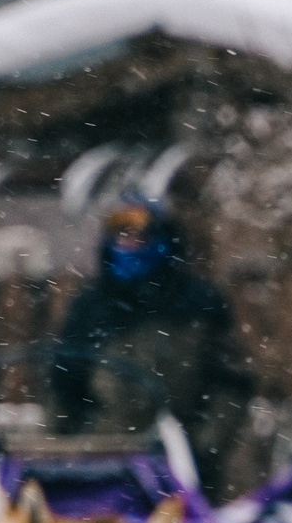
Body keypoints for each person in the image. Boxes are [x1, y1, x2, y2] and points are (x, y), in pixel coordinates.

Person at [48, 198, 254, 493]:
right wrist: (61, 455)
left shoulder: (200, 303)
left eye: (141, 235)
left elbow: (231, 386)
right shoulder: (90, 307)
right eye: (122, 235)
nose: (131, 243)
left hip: (179, 458)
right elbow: (63, 387)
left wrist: (206, 448)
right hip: (104, 458)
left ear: (164, 240)